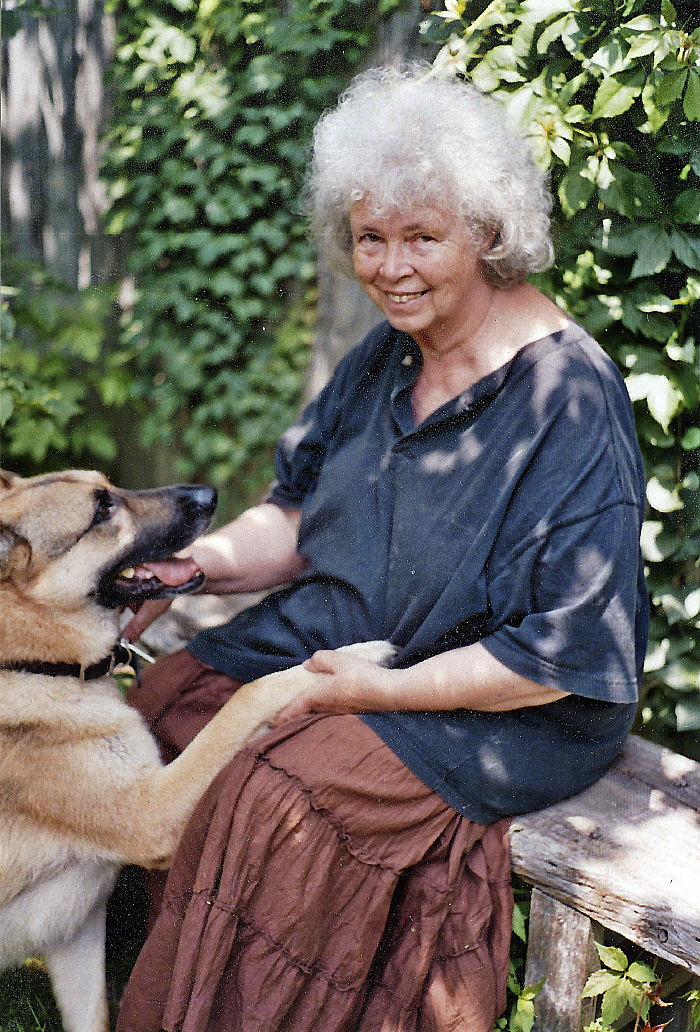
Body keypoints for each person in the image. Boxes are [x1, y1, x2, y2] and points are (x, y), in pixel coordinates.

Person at [116, 65, 648, 1032]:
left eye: (422, 239)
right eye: (372, 238)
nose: (392, 266)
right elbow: (296, 518)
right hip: (360, 630)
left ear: (487, 235)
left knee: (280, 794)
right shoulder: (390, 352)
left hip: (503, 703)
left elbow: (556, 661)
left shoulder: (570, 405)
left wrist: (370, 692)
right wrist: (195, 568)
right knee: (171, 701)